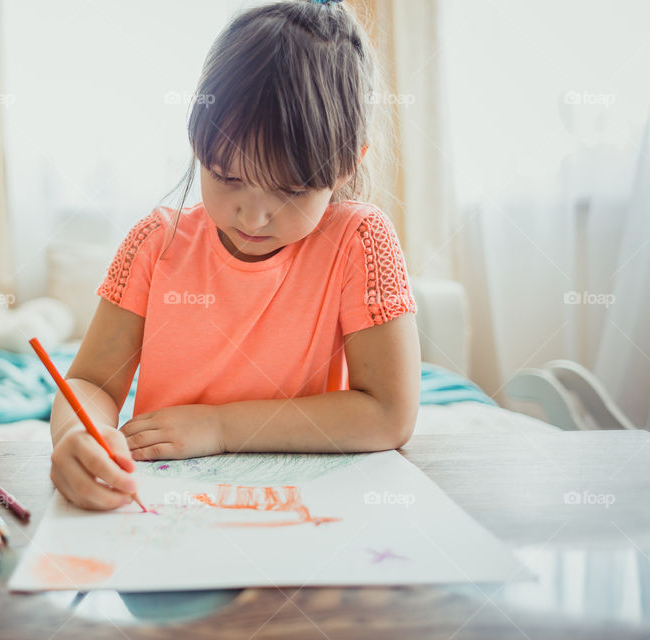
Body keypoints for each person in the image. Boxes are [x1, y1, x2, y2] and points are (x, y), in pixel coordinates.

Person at [49, 0, 420, 510]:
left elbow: (389, 414)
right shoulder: (154, 245)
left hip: (303, 511)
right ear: (197, 146)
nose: (252, 217)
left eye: (289, 189)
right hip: (164, 509)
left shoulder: (359, 241)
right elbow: (91, 382)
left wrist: (220, 426)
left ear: (345, 168)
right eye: (226, 177)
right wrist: (79, 436)